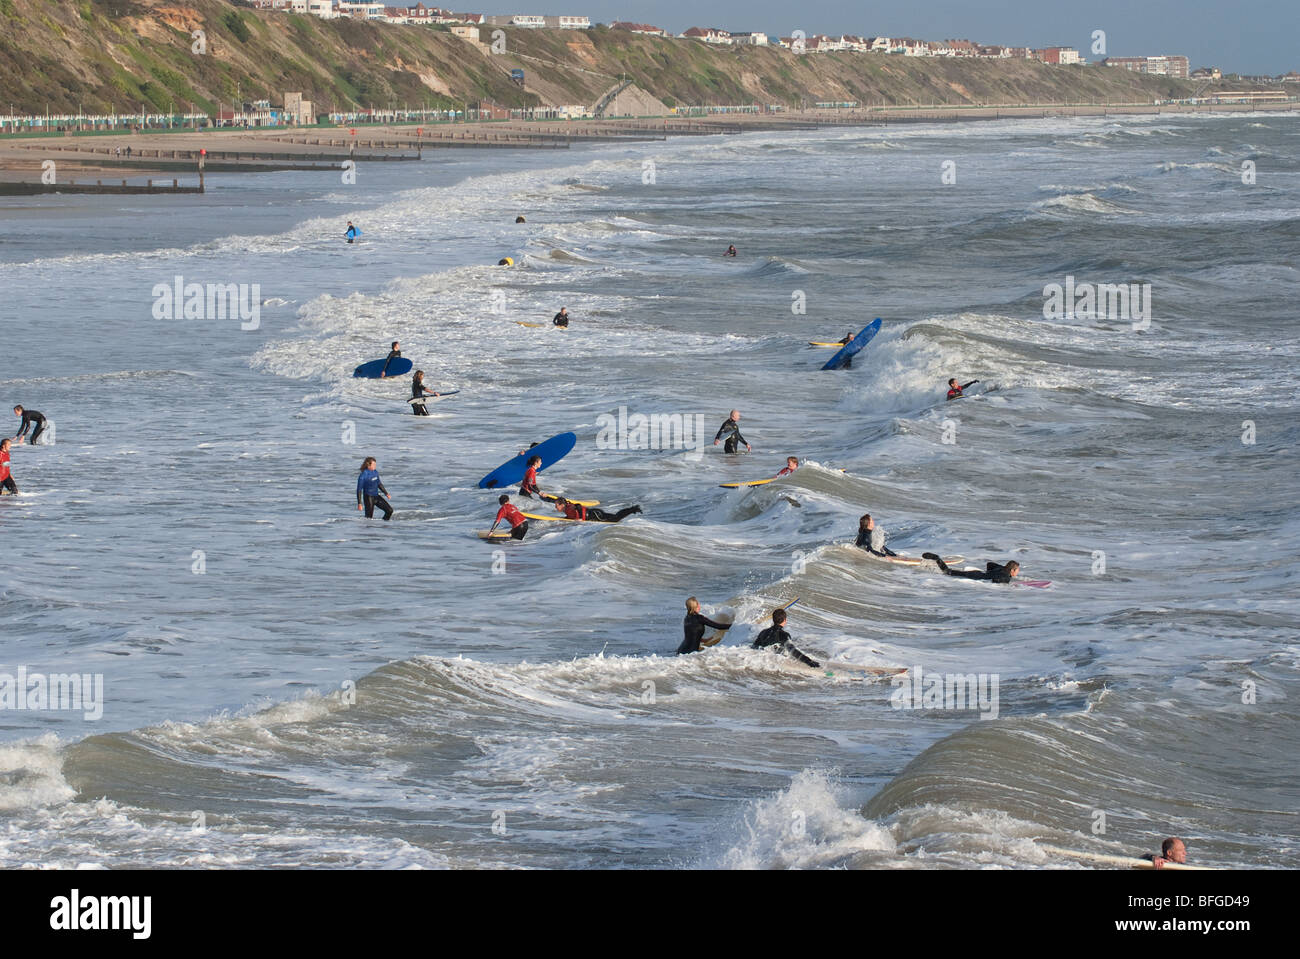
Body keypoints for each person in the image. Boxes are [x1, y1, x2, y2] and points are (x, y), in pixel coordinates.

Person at [752, 608, 820, 668]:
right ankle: (829, 674)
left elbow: (754, 647)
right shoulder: (784, 635)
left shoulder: (763, 632)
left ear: (773, 619)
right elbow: (793, 651)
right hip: (776, 661)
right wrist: (808, 661)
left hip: (762, 659)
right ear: (785, 620)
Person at [922, 553, 1019, 583]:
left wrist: (989, 573)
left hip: (976, 573)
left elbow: (990, 564)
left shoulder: (1000, 569)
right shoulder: (1006, 577)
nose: (1017, 573)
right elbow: (996, 580)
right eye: (1017, 571)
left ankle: (935, 560)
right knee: (947, 573)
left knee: (948, 572)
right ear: (1012, 570)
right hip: (975, 577)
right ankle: (936, 559)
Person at [552, 497, 641, 523]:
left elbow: (578, 506)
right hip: (594, 513)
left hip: (595, 515)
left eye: (556, 505)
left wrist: (581, 519)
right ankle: (632, 509)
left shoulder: (568, 507)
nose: (555, 507)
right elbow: (572, 515)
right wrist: (566, 519)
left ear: (562, 504)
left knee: (616, 518)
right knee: (615, 517)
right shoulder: (567, 509)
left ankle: (633, 509)